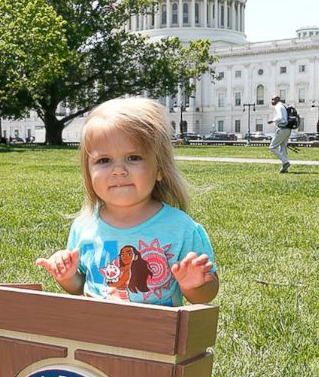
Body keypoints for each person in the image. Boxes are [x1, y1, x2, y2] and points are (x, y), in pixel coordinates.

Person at [35, 97, 219, 307]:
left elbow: (207, 295)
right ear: (88, 172)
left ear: (159, 168)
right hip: (97, 335)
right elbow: (82, 286)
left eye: (133, 158)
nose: (118, 170)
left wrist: (194, 285)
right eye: (104, 160)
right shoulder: (84, 226)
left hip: (157, 336)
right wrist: (68, 277)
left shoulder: (182, 228)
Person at [269, 96, 293, 173]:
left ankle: (285, 162)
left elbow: (280, 117)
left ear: (277, 100)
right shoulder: (284, 106)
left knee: (272, 147)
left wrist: (272, 120)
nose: (271, 101)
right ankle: (285, 167)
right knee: (283, 148)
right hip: (288, 129)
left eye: (273, 99)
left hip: (282, 129)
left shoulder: (278, 106)